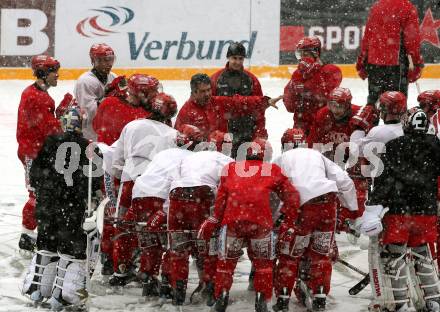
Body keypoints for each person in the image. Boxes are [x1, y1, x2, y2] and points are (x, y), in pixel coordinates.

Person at [198, 139, 300, 312]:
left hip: (233, 221)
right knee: (264, 265)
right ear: (266, 154)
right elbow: (292, 196)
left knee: (225, 264)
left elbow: (221, 198)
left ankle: (221, 295)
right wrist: (288, 220)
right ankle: (261, 299)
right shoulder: (271, 170)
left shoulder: (231, 169)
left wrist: (216, 218)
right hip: (260, 223)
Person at [360, 108, 440, 312]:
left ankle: (401, 303)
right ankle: (434, 300)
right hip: (426, 213)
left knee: (395, 256)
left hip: (399, 213)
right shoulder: (436, 145)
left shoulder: (395, 146)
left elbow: (384, 181)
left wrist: (373, 208)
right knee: (422, 254)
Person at [22, 106, 101, 310]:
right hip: (71, 207)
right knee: (69, 252)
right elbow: (96, 180)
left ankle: (37, 290)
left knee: (46, 246)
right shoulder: (89, 147)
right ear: (81, 125)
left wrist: (46, 194)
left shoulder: (48, 142)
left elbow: (34, 176)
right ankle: (59, 296)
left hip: (48, 206)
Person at [109, 125, 202, 296]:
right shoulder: (191, 159)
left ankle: (148, 275)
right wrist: (164, 211)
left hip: (139, 195)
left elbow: (149, 177)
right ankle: (167, 282)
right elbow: (178, 187)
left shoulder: (162, 154)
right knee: (172, 243)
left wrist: (131, 214)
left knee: (150, 243)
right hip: (160, 197)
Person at [272, 128, 358, 312]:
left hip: (301, 209)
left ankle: (283, 298)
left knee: (289, 256)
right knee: (320, 255)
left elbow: (274, 194)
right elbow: (345, 181)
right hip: (327, 205)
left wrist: (274, 219)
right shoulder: (316, 155)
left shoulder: (280, 160)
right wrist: (351, 209)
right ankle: (319, 294)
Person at [166, 131, 234, 308]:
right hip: (201, 197)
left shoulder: (189, 158)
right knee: (208, 248)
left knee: (179, 250)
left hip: (177, 197)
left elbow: (172, 181)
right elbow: (228, 191)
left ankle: (178, 292)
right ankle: (209, 288)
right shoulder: (226, 161)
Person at [16, 55, 63, 255]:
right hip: (33, 153)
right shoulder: (38, 97)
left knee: (39, 192)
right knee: (35, 193)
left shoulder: (35, 93)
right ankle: (26, 235)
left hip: (36, 151)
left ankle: (30, 233)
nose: (58, 76)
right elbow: (51, 129)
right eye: (54, 72)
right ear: (44, 73)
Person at [175, 73, 280, 141]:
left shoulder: (217, 102)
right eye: (203, 91)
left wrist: (265, 101)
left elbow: (240, 102)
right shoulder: (185, 111)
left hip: (222, 154)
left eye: (209, 90)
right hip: (199, 160)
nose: (207, 94)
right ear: (194, 92)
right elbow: (178, 137)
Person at [356, 0, 424, 105]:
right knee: (396, 104)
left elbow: (368, 36)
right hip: (396, 65)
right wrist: (416, 63)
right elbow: (412, 40)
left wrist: (362, 60)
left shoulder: (377, 6)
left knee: (373, 102)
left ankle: (369, 118)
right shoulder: (407, 7)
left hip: (375, 64)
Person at [210, 42, 268, 154]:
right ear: (228, 57)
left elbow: (260, 110)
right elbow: (209, 108)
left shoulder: (252, 79)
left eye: (240, 58)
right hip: (223, 136)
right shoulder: (216, 79)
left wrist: (259, 134)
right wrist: (213, 133)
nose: (237, 62)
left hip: (247, 134)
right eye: (234, 58)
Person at [283, 36, 342, 136]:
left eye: (305, 54)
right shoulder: (298, 73)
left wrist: (312, 73)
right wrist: (295, 84)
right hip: (302, 127)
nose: (302, 58)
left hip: (324, 127)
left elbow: (324, 95)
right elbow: (290, 106)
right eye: (300, 54)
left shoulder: (331, 70)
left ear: (316, 53)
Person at [74, 43, 116, 140]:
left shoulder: (113, 77)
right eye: (104, 60)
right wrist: (111, 100)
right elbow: (89, 113)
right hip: (90, 134)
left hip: (107, 131)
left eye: (111, 59)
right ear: (94, 60)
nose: (109, 64)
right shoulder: (85, 82)